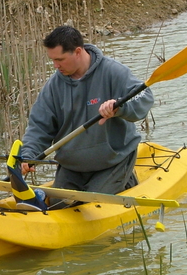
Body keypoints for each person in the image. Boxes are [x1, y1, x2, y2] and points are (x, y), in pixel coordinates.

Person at [20, 25, 154, 202]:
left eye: (60, 59)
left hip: (112, 162)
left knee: (91, 203)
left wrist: (119, 107)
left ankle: (126, 181)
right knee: (57, 206)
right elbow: (39, 127)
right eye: (52, 60)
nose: (55, 65)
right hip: (72, 167)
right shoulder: (53, 87)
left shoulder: (113, 72)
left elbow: (145, 96)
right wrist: (29, 155)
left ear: (77, 52)